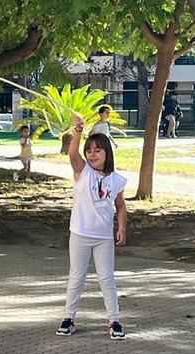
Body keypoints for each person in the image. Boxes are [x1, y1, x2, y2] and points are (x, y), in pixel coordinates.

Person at [57, 114, 128, 341]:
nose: (92, 154)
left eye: (98, 150)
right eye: (89, 150)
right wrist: (77, 132)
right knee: (76, 277)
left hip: (103, 237)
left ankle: (114, 320)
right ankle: (68, 318)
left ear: (107, 152)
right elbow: (72, 153)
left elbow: (121, 206)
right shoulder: (83, 171)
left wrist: (122, 228)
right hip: (80, 234)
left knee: (106, 278)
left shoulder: (116, 180)